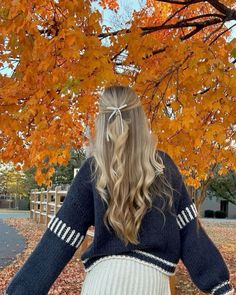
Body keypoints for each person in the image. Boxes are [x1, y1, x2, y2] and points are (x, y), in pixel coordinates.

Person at [4, 85, 234, 295]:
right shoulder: (164, 168)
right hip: (151, 285)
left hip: (101, 284)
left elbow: (60, 238)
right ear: (141, 120)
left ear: (102, 122)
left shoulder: (93, 171)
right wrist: (220, 286)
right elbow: (190, 234)